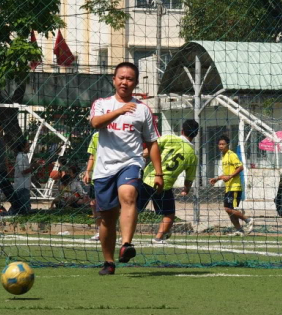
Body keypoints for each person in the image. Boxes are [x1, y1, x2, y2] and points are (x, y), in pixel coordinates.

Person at [90, 61, 163, 275]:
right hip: (104, 169)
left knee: (128, 193)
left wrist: (159, 173)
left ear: (136, 82)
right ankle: (109, 262)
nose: (125, 81)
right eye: (121, 77)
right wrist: (120, 111)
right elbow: (95, 123)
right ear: (114, 80)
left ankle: (127, 244)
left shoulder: (143, 110)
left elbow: (152, 143)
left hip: (130, 163)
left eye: (129, 78)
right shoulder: (102, 104)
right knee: (108, 218)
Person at [140, 119, 199, 244]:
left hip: (148, 178)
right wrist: (186, 189)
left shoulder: (169, 138)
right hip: (164, 185)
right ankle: (158, 238)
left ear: (182, 130)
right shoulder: (192, 155)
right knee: (169, 214)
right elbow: (189, 178)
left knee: (133, 209)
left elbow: (148, 151)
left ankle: (124, 237)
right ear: (196, 134)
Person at [210, 135, 254, 236]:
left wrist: (230, 176)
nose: (221, 146)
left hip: (235, 186)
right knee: (228, 210)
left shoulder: (231, 155)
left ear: (227, 145)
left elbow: (240, 167)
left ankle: (248, 220)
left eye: (223, 144)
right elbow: (226, 174)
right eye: (219, 144)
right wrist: (216, 179)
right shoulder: (224, 156)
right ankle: (239, 230)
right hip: (228, 187)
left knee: (228, 209)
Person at [82, 132, 101, 241]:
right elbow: (92, 155)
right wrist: (87, 172)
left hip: (114, 175)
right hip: (98, 176)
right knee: (94, 204)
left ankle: (120, 232)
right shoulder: (96, 135)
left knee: (118, 206)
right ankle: (100, 231)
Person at [12, 141, 39, 215]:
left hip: (25, 184)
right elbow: (23, 171)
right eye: (27, 146)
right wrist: (34, 167)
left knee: (19, 205)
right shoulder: (20, 157)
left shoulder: (24, 156)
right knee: (24, 207)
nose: (29, 147)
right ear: (22, 147)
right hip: (21, 185)